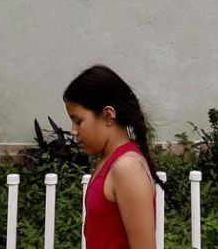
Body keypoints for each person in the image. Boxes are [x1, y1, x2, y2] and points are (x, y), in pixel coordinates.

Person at [64, 65, 159, 249]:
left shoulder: (127, 168)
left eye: (78, 120)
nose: (73, 131)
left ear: (108, 115)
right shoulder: (108, 162)